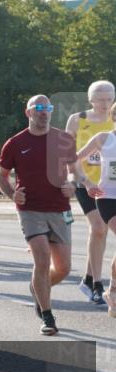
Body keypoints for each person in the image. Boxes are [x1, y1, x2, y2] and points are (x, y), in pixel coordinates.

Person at [0, 95, 82, 336]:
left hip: (59, 208)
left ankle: (38, 287)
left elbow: (75, 172)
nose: (44, 112)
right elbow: (0, 176)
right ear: (29, 112)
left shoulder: (63, 139)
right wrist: (12, 194)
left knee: (64, 268)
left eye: (48, 108)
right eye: (39, 108)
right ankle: (47, 315)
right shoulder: (15, 143)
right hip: (30, 209)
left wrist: (73, 185)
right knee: (42, 260)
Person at [65, 80, 114, 305]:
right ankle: (97, 285)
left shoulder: (114, 118)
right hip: (85, 182)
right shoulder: (77, 119)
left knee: (100, 233)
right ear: (90, 100)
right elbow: (69, 154)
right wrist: (81, 179)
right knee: (98, 227)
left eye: (109, 99)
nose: (104, 104)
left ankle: (87, 278)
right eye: (100, 100)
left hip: (109, 185)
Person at [75, 100, 116, 317]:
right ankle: (107, 288)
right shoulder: (104, 139)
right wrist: (87, 182)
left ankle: (112, 291)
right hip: (108, 198)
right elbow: (74, 159)